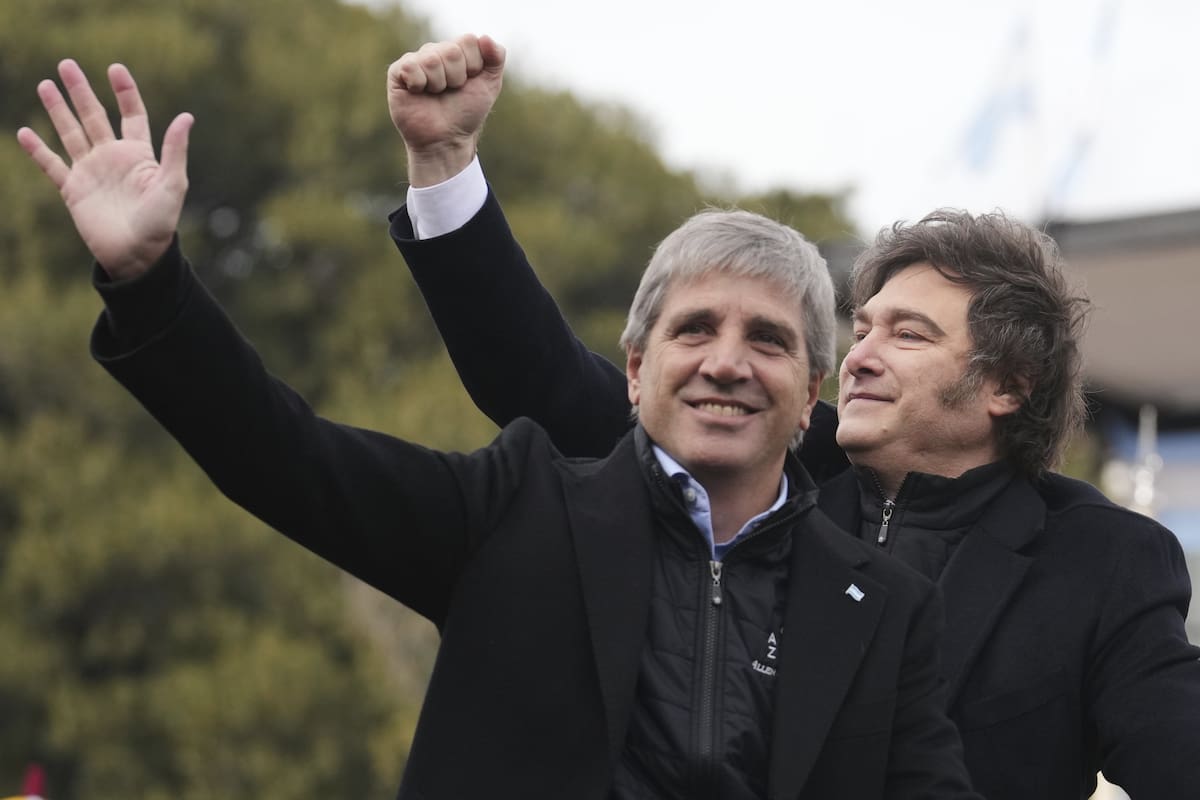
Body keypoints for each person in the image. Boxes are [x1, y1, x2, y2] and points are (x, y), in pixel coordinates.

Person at [17, 57, 981, 799]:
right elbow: (282, 455)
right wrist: (148, 284)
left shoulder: (883, 605)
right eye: (695, 329)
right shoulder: (517, 508)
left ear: (810, 393)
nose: (726, 362)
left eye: (765, 340)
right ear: (635, 369)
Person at [387, 35, 1200, 800]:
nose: (860, 357)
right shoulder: (749, 462)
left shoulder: (1103, 560)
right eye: (862, 329)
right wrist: (445, 163)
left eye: (909, 335)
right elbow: (545, 379)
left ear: (1009, 387)